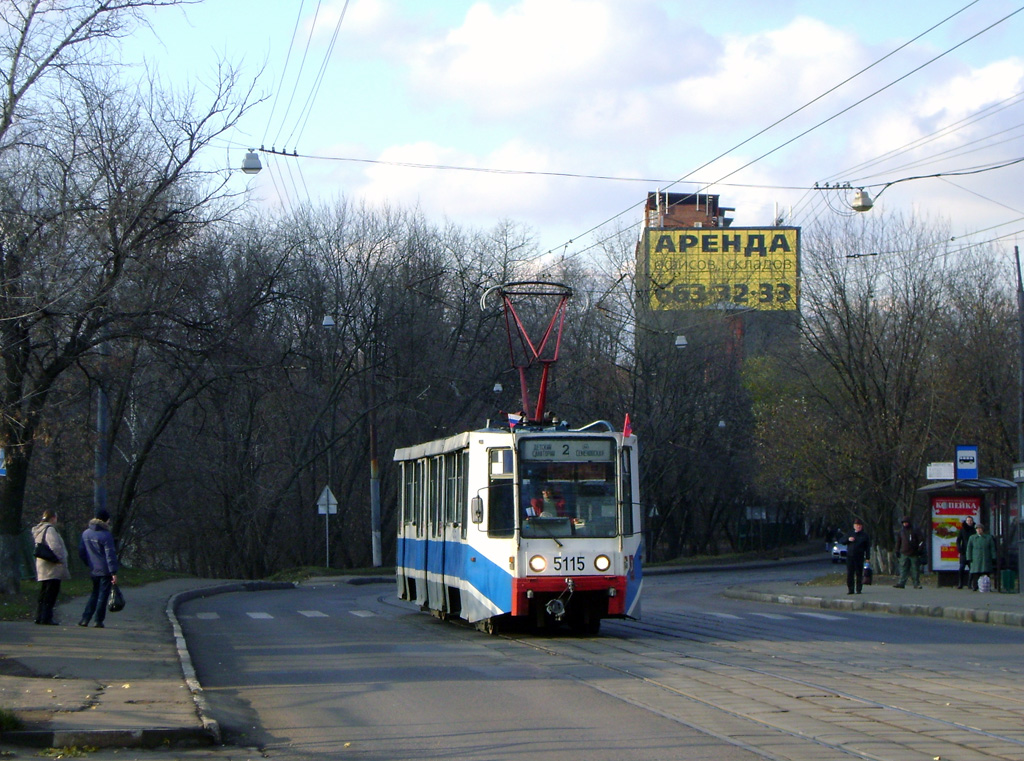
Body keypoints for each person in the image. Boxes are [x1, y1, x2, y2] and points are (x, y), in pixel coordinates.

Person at [78, 508, 119, 628]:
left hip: (93, 569)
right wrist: (113, 572)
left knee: (94, 594)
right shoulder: (106, 535)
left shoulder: (86, 533)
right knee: (103, 595)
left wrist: (89, 564)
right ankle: (98, 620)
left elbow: (81, 552)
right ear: (106, 520)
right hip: (105, 570)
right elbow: (110, 555)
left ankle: (85, 618)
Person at [32, 510, 70, 625]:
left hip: (43, 565)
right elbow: (55, 546)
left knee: (44, 592)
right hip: (52, 565)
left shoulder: (39, 530)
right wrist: (61, 559)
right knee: (51, 592)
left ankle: (39, 616)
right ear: (53, 518)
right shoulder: (50, 530)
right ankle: (46, 617)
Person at [894, 516, 924, 589]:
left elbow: (921, 541)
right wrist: (897, 550)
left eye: (906, 522)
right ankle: (901, 583)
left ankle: (916, 583)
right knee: (903, 569)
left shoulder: (915, 531)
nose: (905, 524)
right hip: (904, 553)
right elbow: (898, 542)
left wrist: (920, 550)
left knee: (915, 569)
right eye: (904, 523)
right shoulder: (901, 532)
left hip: (914, 553)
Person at [966, 523, 997, 592]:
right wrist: (969, 558)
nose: (979, 530)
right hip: (975, 558)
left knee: (986, 573)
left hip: (986, 557)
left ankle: (987, 586)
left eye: (980, 529)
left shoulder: (988, 538)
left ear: (983, 529)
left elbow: (992, 548)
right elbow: (969, 549)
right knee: (975, 573)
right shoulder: (972, 538)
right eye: (977, 529)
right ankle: (975, 586)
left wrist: (993, 556)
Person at [845, 518, 871, 594]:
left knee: (859, 573)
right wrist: (848, 539)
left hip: (859, 557)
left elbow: (867, 547)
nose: (858, 527)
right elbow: (842, 540)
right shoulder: (850, 534)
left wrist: (867, 557)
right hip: (850, 557)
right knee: (850, 573)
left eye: (860, 525)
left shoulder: (864, 536)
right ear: (854, 526)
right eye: (857, 525)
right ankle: (850, 589)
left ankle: (859, 589)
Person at [955, 515, 976, 589]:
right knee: (961, 567)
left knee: (972, 568)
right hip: (963, 552)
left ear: (972, 522)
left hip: (972, 552)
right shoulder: (962, 530)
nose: (969, 522)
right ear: (966, 521)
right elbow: (958, 540)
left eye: (971, 521)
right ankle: (960, 583)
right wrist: (959, 548)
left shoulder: (975, 530)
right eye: (968, 521)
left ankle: (969, 584)